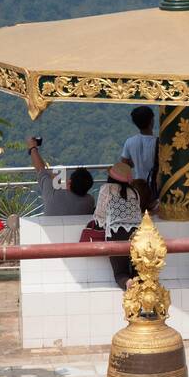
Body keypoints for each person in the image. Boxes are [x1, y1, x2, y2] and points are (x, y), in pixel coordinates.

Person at [95, 161, 148, 289]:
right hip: (138, 234)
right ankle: (139, 288)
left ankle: (127, 283)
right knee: (138, 270)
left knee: (120, 272)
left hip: (116, 233)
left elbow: (100, 217)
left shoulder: (106, 189)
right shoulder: (134, 192)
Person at [27, 138, 94, 216]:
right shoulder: (89, 201)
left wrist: (32, 148)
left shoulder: (52, 194)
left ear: (69, 182)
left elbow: (41, 170)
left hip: (51, 228)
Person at [120, 106, 158, 183]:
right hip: (155, 186)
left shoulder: (129, 142)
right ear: (152, 121)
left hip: (139, 187)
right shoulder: (158, 143)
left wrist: (135, 161)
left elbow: (124, 165)